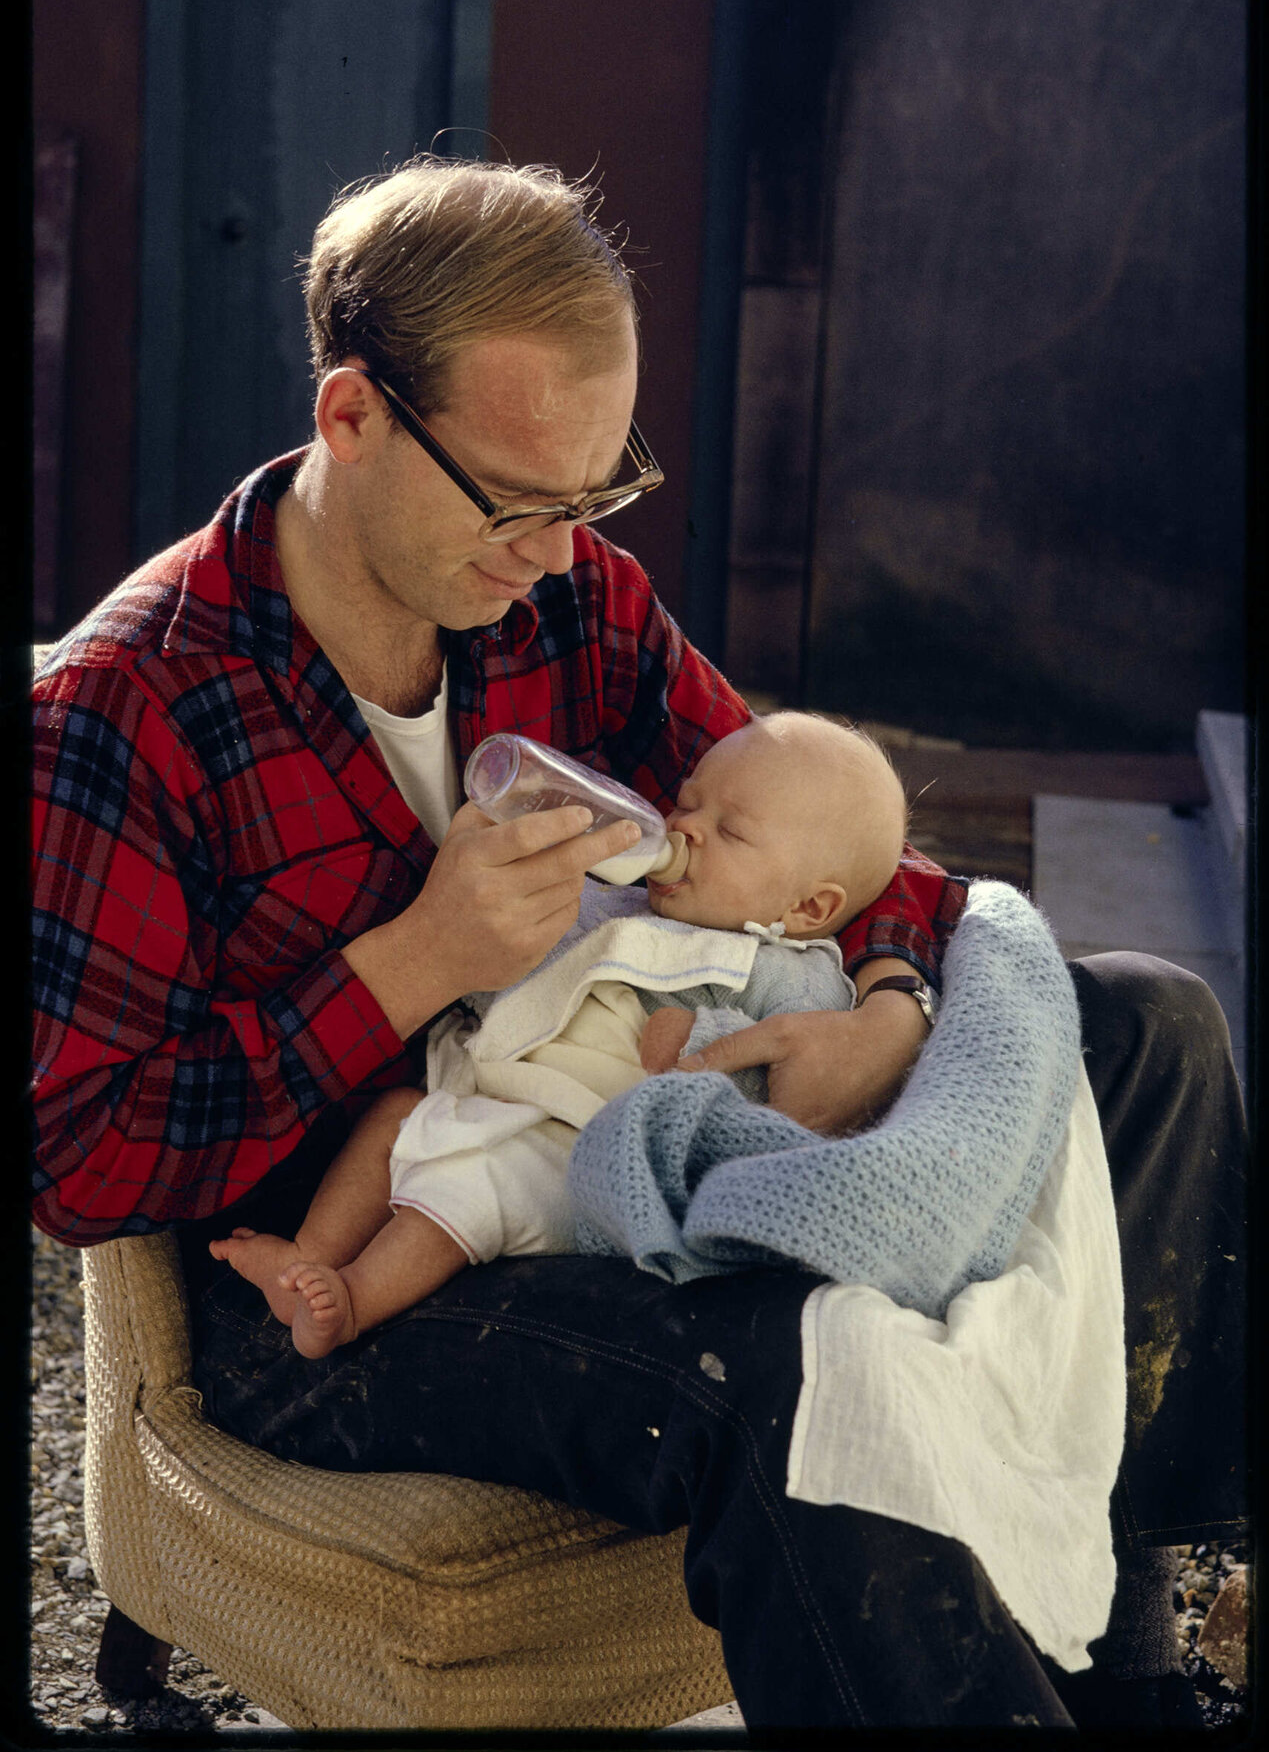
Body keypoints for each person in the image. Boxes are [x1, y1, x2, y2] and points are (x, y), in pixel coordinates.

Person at [32, 156, 1246, 1731]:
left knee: (1151, 1025)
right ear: (352, 417)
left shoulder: (569, 606)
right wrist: (409, 962)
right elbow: (75, 1162)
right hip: (350, 1277)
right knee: (808, 1357)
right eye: (519, 502)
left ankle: (1126, 1660)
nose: (556, 549)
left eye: (597, 494)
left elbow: (826, 834)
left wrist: (884, 999)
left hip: (626, 1143)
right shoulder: (122, 714)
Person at [204, 712, 907, 1359]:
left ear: (809, 905)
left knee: (475, 1186)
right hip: (494, 1090)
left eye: (730, 831)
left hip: (574, 1149)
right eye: (688, 802)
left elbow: (778, 1099)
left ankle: (354, 1298)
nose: (685, 828)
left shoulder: (791, 973)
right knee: (390, 1118)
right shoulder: (620, 900)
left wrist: (699, 1037)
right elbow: (506, 965)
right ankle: (307, 1258)